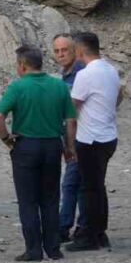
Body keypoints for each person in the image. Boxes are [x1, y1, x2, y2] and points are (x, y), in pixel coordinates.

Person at [0, 45, 76, 262]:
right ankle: (53, 248)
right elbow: (70, 120)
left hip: (26, 146)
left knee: (27, 200)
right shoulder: (59, 86)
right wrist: (69, 147)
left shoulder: (17, 88)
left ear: (22, 65)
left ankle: (33, 249)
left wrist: (6, 139)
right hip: (52, 146)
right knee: (50, 198)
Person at [67, 32, 120, 252]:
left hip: (91, 139)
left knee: (88, 187)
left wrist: (69, 144)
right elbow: (119, 96)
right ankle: (99, 232)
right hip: (108, 136)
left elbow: (72, 109)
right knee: (98, 185)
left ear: (80, 50)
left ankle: (88, 235)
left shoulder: (85, 75)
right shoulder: (111, 70)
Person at [52, 33, 88, 242]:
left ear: (74, 50)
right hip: (71, 136)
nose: (61, 54)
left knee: (71, 183)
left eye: (64, 50)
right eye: (57, 51)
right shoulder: (65, 74)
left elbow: (72, 113)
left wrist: (71, 144)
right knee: (81, 183)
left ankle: (64, 227)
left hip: (81, 136)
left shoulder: (81, 73)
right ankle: (83, 226)